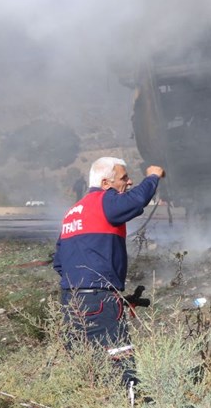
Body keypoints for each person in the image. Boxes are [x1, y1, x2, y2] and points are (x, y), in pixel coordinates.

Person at [54, 156, 164, 390]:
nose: (130, 181)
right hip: (99, 298)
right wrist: (153, 176)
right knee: (120, 358)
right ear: (105, 183)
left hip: (70, 299)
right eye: (124, 178)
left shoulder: (72, 213)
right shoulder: (105, 201)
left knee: (86, 360)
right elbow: (135, 202)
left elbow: (59, 263)